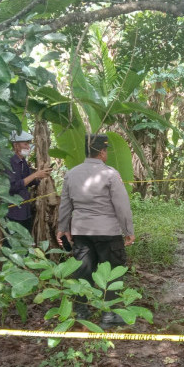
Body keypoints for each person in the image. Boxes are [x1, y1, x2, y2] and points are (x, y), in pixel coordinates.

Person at [56, 134, 135, 328]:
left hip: (81, 231)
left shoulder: (72, 174)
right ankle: (109, 314)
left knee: (83, 271)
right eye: (106, 150)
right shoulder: (110, 174)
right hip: (108, 232)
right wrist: (128, 230)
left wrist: (62, 228)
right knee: (112, 272)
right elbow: (122, 206)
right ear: (102, 152)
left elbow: (65, 204)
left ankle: (81, 311)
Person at [6, 130, 51, 236]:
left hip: (25, 212)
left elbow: (28, 182)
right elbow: (13, 187)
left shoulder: (23, 162)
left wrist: (40, 176)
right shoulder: (9, 162)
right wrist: (34, 175)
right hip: (13, 213)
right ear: (16, 145)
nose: (28, 147)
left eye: (29, 144)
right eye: (25, 144)